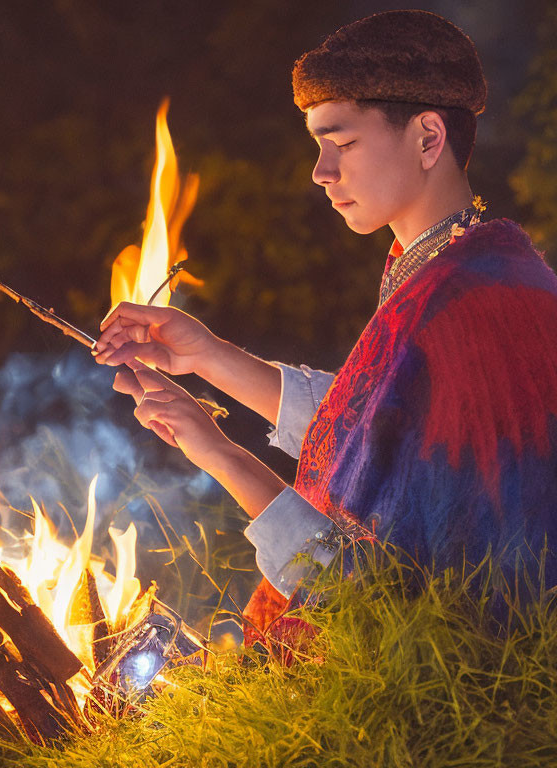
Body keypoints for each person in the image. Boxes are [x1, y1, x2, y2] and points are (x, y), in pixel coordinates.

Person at [93, 10, 557, 612]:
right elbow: (375, 426)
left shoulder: (480, 309)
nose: (321, 172)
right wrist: (207, 357)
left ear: (428, 139)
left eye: (341, 143)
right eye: (319, 147)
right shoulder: (442, 269)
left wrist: (222, 454)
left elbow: (383, 602)